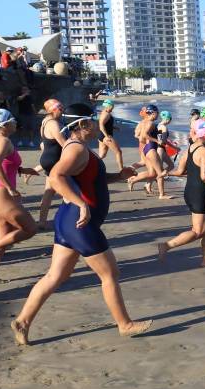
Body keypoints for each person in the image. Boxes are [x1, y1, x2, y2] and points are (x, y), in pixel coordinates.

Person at [10, 103, 152, 345]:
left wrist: (119, 176)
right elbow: (55, 177)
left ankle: (23, 321)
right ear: (83, 125)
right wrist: (82, 204)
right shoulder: (75, 150)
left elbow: (92, 180)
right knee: (110, 273)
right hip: (79, 223)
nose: (98, 125)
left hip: (69, 221)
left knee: (55, 276)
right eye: (93, 120)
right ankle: (125, 324)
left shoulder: (80, 148)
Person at [0, 109, 38, 284]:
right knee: (30, 229)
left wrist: (20, 170)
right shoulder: (3, 141)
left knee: (4, 235)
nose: (15, 123)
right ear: (4, 125)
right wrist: (10, 188)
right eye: (12, 121)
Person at [158, 122, 205, 267]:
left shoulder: (191, 148)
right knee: (198, 231)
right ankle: (166, 246)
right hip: (199, 195)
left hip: (192, 192)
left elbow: (180, 171)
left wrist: (166, 172)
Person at [127, 104, 172, 199]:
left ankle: (133, 179)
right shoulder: (151, 123)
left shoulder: (143, 122)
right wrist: (157, 140)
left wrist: (143, 142)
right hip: (150, 148)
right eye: (157, 113)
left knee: (153, 173)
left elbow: (137, 135)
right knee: (160, 173)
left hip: (146, 148)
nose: (158, 115)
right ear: (153, 113)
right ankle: (162, 194)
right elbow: (145, 135)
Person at [36, 99, 67, 228]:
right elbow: (63, 143)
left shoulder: (45, 121)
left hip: (48, 158)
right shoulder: (53, 124)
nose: (62, 111)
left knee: (49, 192)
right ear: (53, 110)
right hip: (54, 161)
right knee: (68, 190)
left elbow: (43, 142)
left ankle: (42, 221)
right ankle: (70, 218)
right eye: (60, 109)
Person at [97, 99, 123, 170]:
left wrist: (114, 127)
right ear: (108, 106)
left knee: (102, 155)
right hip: (106, 137)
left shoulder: (104, 113)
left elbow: (106, 124)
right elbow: (101, 125)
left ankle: (91, 166)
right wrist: (106, 136)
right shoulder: (106, 114)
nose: (113, 108)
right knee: (118, 152)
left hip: (101, 136)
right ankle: (122, 170)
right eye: (112, 106)